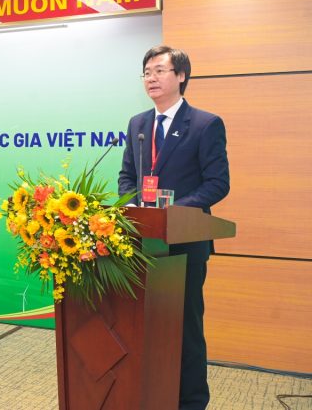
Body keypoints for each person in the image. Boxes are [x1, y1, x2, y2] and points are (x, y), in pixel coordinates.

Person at [119, 45, 230, 410]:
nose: (151, 78)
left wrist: (174, 211)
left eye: (159, 71)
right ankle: (154, 395)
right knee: (147, 327)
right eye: (146, 72)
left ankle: (191, 401)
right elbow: (127, 176)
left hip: (185, 244)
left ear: (181, 76)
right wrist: (131, 203)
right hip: (144, 243)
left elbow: (218, 184)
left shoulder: (205, 124)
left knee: (185, 329)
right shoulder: (138, 124)